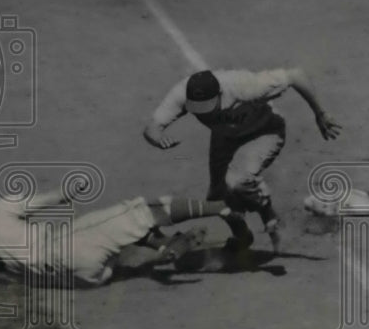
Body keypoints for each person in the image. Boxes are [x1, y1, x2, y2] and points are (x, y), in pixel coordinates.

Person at [143, 68, 341, 252]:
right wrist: (158, 139)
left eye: (208, 106)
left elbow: (295, 75)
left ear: (220, 94)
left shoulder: (245, 86)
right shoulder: (182, 93)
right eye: (198, 108)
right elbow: (152, 128)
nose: (204, 112)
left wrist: (320, 113)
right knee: (218, 199)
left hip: (264, 131)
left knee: (237, 181)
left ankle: (270, 216)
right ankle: (242, 236)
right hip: (226, 137)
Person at [0, 187, 228, 287]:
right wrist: (69, 190)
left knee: (107, 229)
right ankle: (222, 207)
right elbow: (53, 198)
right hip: (69, 249)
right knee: (138, 212)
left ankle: (165, 246)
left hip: (80, 279)